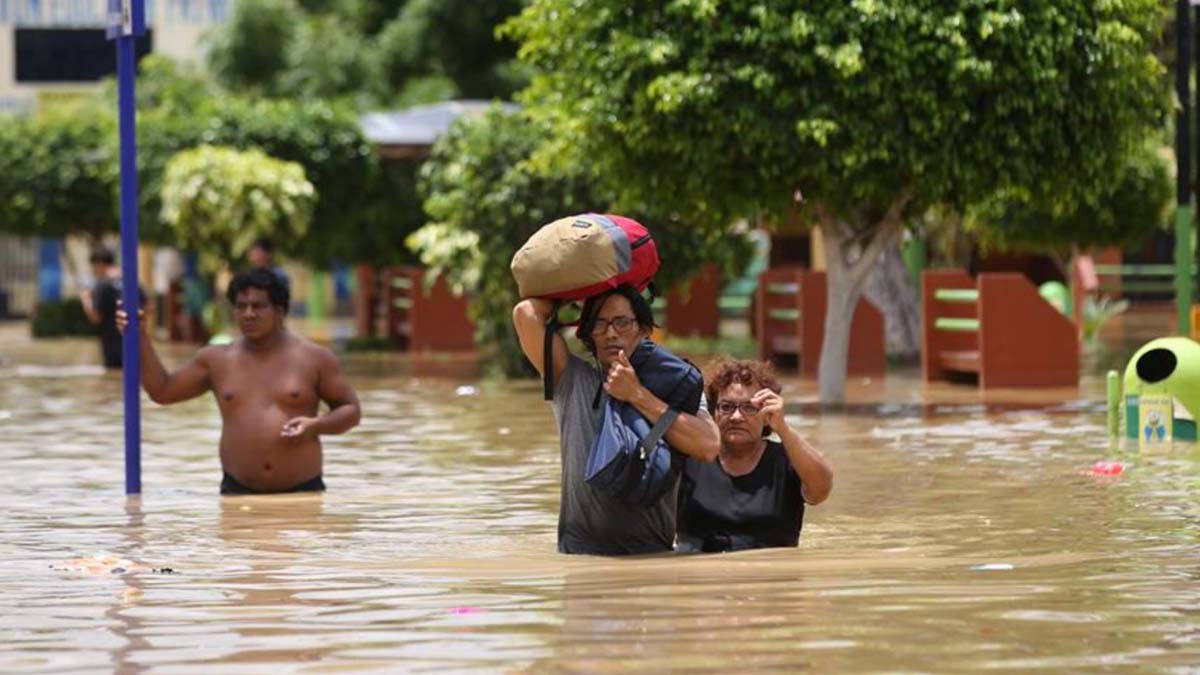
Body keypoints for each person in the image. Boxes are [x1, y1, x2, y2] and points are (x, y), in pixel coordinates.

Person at [513, 285, 720, 556]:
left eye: (622, 322)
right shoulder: (572, 380)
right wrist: (582, 291)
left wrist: (638, 395)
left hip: (653, 556)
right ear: (588, 334)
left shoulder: (677, 388)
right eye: (599, 324)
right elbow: (525, 313)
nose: (611, 333)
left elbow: (708, 446)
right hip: (581, 555)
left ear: (643, 330)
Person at [117, 268, 361, 494]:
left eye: (258, 306)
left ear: (280, 311)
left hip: (302, 493)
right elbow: (162, 391)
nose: (248, 314)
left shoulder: (314, 358)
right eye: (241, 306)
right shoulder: (217, 360)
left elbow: (351, 411)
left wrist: (315, 425)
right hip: (238, 493)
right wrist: (139, 336)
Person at [675, 359, 833, 553]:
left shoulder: (788, 460)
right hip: (699, 566)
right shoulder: (689, 456)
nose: (736, 417)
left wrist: (783, 428)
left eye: (749, 408)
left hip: (769, 568)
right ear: (713, 412)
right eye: (726, 407)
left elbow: (821, 490)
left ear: (767, 415)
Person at [80, 248, 136, 369]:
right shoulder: (129, 279)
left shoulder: (102, 284)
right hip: (134, 342)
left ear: (99, 263)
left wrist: (86, 299)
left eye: (93, 267)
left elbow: (96, 317)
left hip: (111, 345)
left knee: (114, 376)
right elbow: (150, 305)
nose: (93, 271)